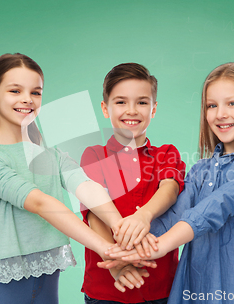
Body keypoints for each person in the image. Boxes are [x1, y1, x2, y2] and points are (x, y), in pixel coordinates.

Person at [105, 62, 234, 304]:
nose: (220, 114)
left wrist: (159, 247)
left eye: (232, 103)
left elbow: (216, 206)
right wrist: (128, 245)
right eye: (211, 106)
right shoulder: (200, 169)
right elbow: (174, 216)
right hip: (196, 281)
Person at [0, 53, 128, 304]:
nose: (27, 99)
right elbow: (41, 204)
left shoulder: (50, 154)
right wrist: (105, 248)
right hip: (3, 282)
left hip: (46, 274)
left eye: (36, 92)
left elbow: (86, 186)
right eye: (14, 90)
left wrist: (121, 228)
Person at [80, 63, 186, 303]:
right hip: (106, 287)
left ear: (154, 108)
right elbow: (94, 212)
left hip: (162, 286)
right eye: (120, 102)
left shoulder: (167, 153)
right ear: (105, 109)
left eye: (142, 102)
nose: (132, 110)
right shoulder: (94, 155)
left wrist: (143, 216)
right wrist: (115, 264)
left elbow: (169, 188)